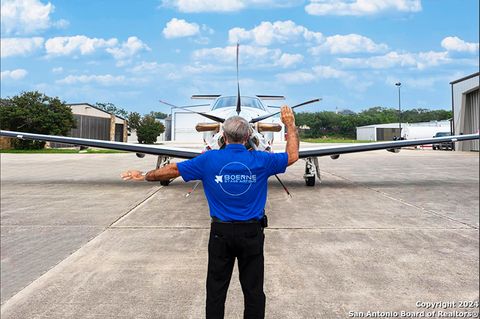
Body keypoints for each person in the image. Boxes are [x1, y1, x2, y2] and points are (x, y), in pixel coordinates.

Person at [121, 106, 299, 318]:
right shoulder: (262, 160)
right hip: (252, 234)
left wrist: (143, 175)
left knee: (216, 290)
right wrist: (289, 124)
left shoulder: (208, 160)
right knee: (253, 291)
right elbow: (292, 155)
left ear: (223, 136)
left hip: (220, 234)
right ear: (249, 136)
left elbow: (173, 170)